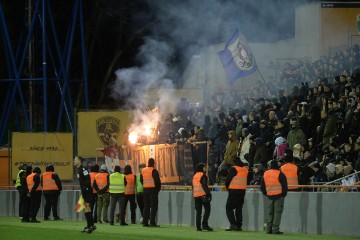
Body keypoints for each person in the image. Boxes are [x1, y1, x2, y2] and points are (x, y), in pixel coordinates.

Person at [261, 160, 288, 234]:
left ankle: (268, 229)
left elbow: (262, 187)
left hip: (269, 196)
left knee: (270, 213)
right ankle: (275, 229)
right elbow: (284, 186)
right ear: (277, 165)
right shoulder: (280, 174)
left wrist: (267, 194)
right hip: (279, 196)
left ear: (270, 166)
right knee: (277, 213)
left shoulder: (265, 173)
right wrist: (283, 195)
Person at [225, 157, 248, 231]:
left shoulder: (233, 169)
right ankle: (239, 225)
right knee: (239, 208)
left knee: (229, 208)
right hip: (242, 190)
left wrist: (227, 187)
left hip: (233, 190)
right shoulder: (245, 169)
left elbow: (228, 180)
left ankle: (233, 224)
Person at [74, 156, 96, 233]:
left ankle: (90, 226)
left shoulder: (83, 169)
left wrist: (86, 188)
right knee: (85, 208)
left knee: (86, 208)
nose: (74, 161)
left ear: (79, 161)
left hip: (87, 191)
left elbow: (88, 178)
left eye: (75, 160)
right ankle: (90, 225)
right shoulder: (79, 169)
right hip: (84, 191)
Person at [192, 163, 213, 232]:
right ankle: (204, 225)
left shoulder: (194, 176)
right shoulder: (203, 175)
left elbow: (193, 187)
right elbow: (204, 185)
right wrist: (209, 194)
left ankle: (198, 227)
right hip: (203, 195)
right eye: (204, 167)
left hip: (196, 196)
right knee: (207, 210)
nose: (205, 169)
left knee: (198, 212)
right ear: (201, 168)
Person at [140, 158, 161, 227]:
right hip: (153, 190)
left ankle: (145, 222)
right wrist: (157, 189)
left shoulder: (143, 170)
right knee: (154, 206)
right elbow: (157, 181)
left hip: (145, 189)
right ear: (153, 163)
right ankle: (152, 222)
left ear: (148, 162)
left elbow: (141, 180)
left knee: (146, 206)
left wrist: (145, 186)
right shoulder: (154, 170)